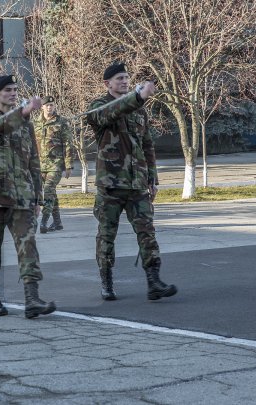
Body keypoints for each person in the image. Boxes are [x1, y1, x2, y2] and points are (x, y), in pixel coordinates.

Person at [85, 62, 177, 301]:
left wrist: (152, 177)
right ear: (107, 83)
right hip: (111, 184)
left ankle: (154, 281)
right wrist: (138, 96)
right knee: (107, 234)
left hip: (137, 184)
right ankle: (106, 280)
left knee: (147, 232)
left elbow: (147, 145)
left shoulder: (139, 110)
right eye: (119, 78)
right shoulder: (99, 105)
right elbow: (110, 114)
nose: (124, 81)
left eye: (127, 78)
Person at [0, 74, 56, 319]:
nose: (12, 93)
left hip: (22, 196)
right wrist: (21, 114)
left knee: (28, 246)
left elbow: (33, 161)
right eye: (7, 90)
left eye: (14, 89)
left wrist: (38, 197)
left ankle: (32, 299)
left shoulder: (27, 123)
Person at [33, 96, 73, 233]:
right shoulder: (36, 123)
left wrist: (68, 165)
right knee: (52, 194)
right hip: (40, 165)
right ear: (42, 107)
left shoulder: (61, 122)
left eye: (52, 105)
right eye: (47, 105)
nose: (50, 107)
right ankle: (58, 223)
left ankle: (44, 221)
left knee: (48, 190)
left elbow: (68, 144)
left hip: (55, 164)